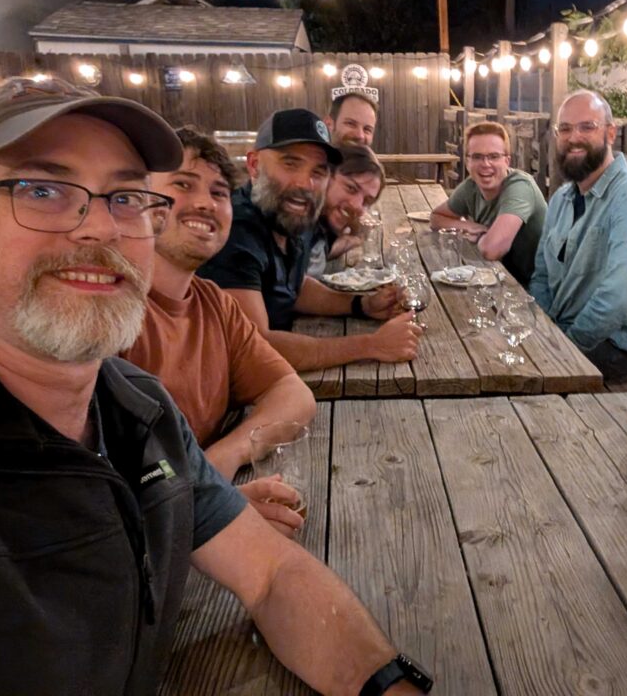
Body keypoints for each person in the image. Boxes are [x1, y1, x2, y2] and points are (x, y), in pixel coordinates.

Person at [0, 78, 431, 694]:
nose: (100, 228)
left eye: (126, 196)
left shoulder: (139, 408)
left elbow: (271, 575)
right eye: (41, 189)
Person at [124, 127, 316, 537]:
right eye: (182, 184)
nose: (204, 204)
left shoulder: (212, 302)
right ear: (138, 199)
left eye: (218, 192)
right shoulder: (111, 313)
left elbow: (293, 395)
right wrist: (206, 506)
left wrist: (223, 460)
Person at [198, 108, 421, 371]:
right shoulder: (235, 232)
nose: (306, 184)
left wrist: (361, 305)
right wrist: (371, 345)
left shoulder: (289, 216)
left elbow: (294, 287)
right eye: (290, 164)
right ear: (254, 165)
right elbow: (253, 347)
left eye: (318, 172)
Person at [529, 89, 627, 378]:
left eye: (587, 127)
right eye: (565, 129)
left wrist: (565, 346)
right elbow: (540, 277)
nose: (574, 137)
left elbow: (620, 296)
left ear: (611, 134)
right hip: (560, 334)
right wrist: (542, 330)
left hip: (609, 347)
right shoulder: (561, 198)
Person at [430, 121, 546, 286]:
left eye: (493, 156)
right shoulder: (471, 186)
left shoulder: (520, 186)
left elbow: (492, 249)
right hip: (497, 278)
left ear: (507, 161)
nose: (485, 164)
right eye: (477, 156)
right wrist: (469, 226)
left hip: (534, 289)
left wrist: (480, 237)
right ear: (468, 162)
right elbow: (436, 217)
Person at [306, 144, 386, 275]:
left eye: (366, 201)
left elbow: (318, 253)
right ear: (325, 174)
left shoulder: (320, 227)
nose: (357, 206)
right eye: (351, 188)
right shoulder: (294, 222)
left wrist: (355, 238)